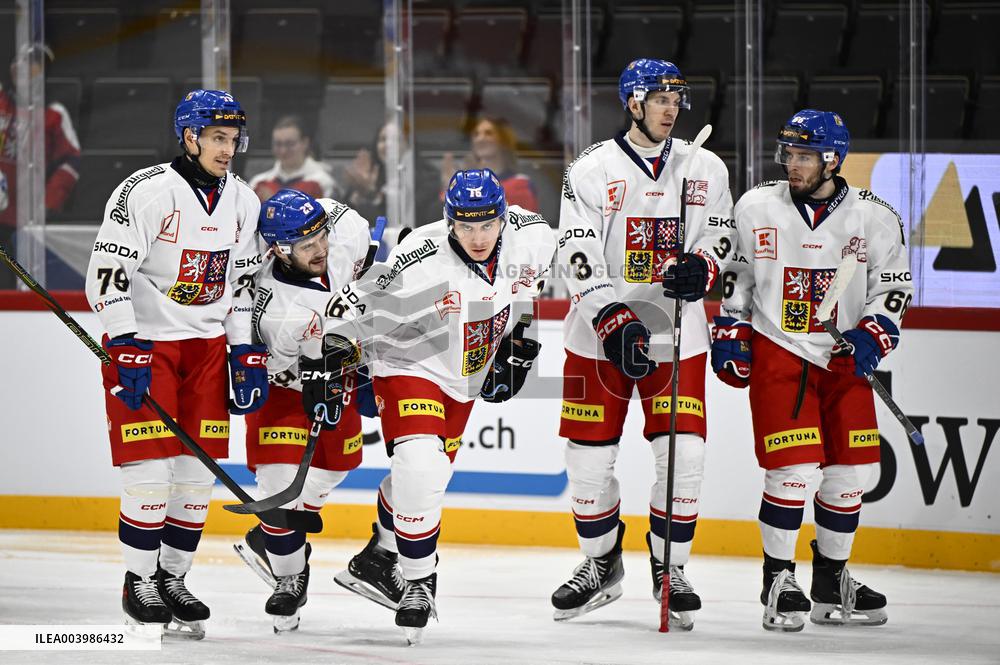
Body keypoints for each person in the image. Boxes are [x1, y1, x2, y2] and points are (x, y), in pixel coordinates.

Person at [332, 168, 556, 645]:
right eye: (465, 226)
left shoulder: (534, 236)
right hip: (407, 363)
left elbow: (526, 294)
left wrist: (518, 340)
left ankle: (379, 554)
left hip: (464, 377)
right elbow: (355, 304)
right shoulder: (420, 254)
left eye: (487, 225)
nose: (477, 237)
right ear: (449, 220)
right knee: (419, 465)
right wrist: (336, 353)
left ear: (504, 218)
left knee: (425, 479)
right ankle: (418, 582)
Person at [553, 58, 734, 630]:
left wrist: (702, 265)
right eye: (660, 98)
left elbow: (723, 232)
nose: (671, 108)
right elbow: (575, 253)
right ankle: (601, 563)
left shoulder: (704, 166)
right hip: (595, 338)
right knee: (586, 465)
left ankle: (669, 566)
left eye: (677, 98)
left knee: (687, 459)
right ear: (632, 103)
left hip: (677, 337)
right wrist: (611, 316)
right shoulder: (590, 169)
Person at [713, 109, 909, 632]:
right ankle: (777, 579)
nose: (792, 164)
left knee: (852, 476)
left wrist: (874, 332)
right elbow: (736, 275)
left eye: (804, 155)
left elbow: (892, 286)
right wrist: (731, 331)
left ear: (833, 159)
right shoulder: (756, 206)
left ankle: (831, 580)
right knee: (793, 472)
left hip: (844, 357)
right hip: (782, 348)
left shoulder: (875, 216)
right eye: (789, 154)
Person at [84, 89, 268, 639]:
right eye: (217, 138)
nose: (227, 149)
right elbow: (107, 274)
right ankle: (138, 581)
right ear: (188, 137)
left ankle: (172, 578)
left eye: (233, 140)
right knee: (148, 473)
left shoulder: (244, 200)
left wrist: (245, 349)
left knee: (195, 477)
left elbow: (238, 286)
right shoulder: (146, 192)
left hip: (208, 350)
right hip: (148, 347)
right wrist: (124, 341)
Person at [231, 188, 374, 633]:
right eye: (307, 246)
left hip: (343, 374)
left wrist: (365, 368)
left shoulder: (344, 233)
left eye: (321, 238)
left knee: (336, 467)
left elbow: (359, 240)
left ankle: (272, 537)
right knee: (279, 492)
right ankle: (290, 575)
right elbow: (275, 362)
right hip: (286, 390)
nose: (320, 250)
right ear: (278, 249)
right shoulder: (271, 309)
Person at [0, 46, 81, 287]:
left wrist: (47, 202)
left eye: (36, 66)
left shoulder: (53, 114)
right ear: (13, 69)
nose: (29, 70)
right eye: (25, 63)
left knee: (12, 284)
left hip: (23, 223)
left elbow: (71, 161)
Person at [340, 121, 441, 227]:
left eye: (395, 139)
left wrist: (374, 196)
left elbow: (410, 214)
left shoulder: (428, 176)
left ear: (408, 145)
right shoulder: (367, 175)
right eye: (383, 139)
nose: (388, 145)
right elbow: (344, 219)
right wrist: (358, 195)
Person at [440, 116, 539, 212]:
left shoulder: (521, 183)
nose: (480, 139)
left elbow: (524, 222)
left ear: (503, 141)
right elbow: (443, 219)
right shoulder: (462, 182)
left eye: (488, 133)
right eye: (476, 134)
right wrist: (450, 190)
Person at [248, 115, 336, 202]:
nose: (283, 151)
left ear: (305, 143)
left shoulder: (323, 183)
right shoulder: (258, 182)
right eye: (278, 144)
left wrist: (275, 201)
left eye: (289, 144)